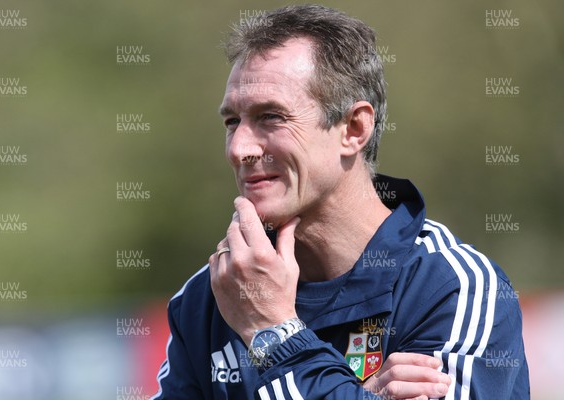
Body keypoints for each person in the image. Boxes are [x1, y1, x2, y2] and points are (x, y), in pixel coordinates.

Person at [151, 4, 529, 399]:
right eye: (232, 122)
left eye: (271, 117)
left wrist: (273, 331)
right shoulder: (212, 294)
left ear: (354, 128)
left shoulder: (453, 288)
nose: (239, 148)